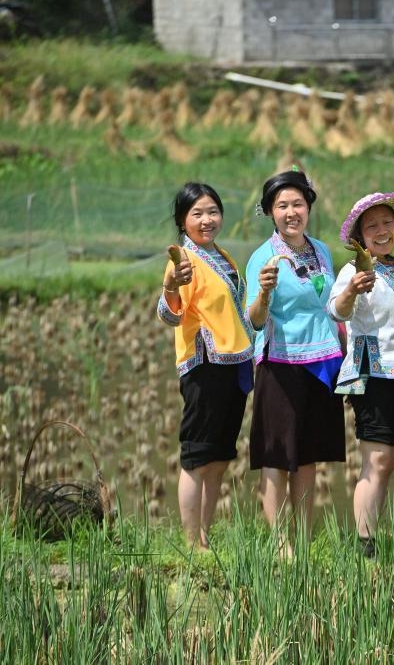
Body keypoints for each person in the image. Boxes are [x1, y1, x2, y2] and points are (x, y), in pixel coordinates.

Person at [245, 168, 345, 553]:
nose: (291, 212)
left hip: (322, 362)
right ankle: (278, 542)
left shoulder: (320, 250)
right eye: (282, 205)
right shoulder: (263, 258)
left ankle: (303, 540)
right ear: (270, 211)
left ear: (308, 207)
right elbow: (253, 320)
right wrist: (265, 295)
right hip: (280, 365)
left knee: (308, 456)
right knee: (276, 456)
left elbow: (330, 306)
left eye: (298, 204)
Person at [157, 182, 254, 550]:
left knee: (219, 458)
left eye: (212, 211)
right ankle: (189, 542)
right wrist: (169, 286)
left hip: (233, 364)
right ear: (183, 221)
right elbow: (169, 315)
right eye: (197, 213)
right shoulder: (182, 259)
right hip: (204, 365)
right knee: (197, 456)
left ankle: (204, 537)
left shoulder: (223, 257)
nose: (206, 219)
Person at [329, 191, 394, 558]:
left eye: (387, 223)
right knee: (377, 460)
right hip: (373, 373)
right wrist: (352, 291)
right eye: (372, 226)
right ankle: (364, 542)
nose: (382, 231)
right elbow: (337, 311)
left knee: (392, 456)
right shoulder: (355, 270)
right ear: (360, 236)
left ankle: (372, 533)